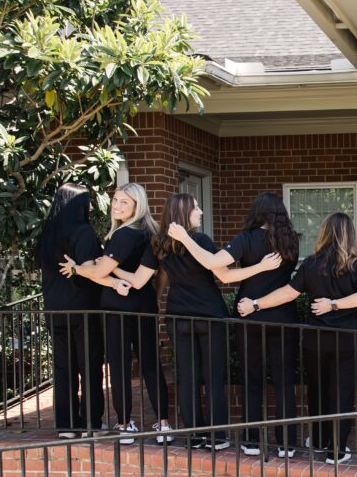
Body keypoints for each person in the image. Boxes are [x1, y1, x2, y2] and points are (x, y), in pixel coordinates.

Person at [120, 193, 278, 450]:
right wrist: (260, 267)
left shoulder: (158, 243)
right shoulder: (200, 240)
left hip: (178, 316)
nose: (201, 212)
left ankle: (194, 436)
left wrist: (109, 267)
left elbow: (138, 280)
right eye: (196, 208)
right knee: (214, 377)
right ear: (184, 212)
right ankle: (217, 437)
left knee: (187, 378)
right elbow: (225, 275)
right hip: (210, 315)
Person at [238, 213, 357, 465]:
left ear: (324, 233)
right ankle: (336, 450)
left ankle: (320, 439)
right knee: (343, 395)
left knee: (317, 390)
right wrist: (335, 304)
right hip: (348, 339)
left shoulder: (312, 264)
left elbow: (288, 293)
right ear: (349, 235)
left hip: (316, 339)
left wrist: (256, 304)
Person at [171, 193, 299, 458]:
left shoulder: (246, 239)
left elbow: (214, 265)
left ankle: (251, 441)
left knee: (251, 380)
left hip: (249, 316)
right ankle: (287, 443)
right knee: (285, 382)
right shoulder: (291, 240)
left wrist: (184, 238)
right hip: (283, 317)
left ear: (256, 212)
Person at [59, 183, 171, 444]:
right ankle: (164, 424)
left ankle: (124, 425)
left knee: (120, 367)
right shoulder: (151, 232)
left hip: (117, 308)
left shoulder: (123, 235)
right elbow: (162, 274)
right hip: (144, 306)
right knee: (151, 365)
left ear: (137, 206)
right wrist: (154, 297)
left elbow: (99, 272)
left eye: (124, 202)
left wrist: (77, 268)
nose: (117, 206)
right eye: (116, 200)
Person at [37, 183, 104, 438]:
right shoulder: (82, 232)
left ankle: (66, 424)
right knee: (90, 365)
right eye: (87, 201)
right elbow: (92, 270)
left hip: (54, 308)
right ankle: (90, 423)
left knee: (63, 368)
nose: (90, 207)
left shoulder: (47, 232)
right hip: (84, 307)